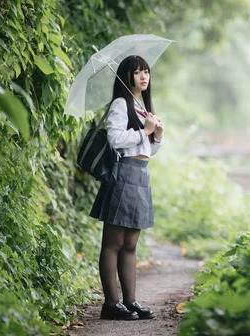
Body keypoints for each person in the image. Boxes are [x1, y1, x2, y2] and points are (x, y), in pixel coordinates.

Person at [89, 55, 165, 320]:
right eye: (137, 72)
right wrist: (144, 130)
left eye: (146, 72)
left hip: (141, 175)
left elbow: (148, 151)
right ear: (126, 76)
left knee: (131, 243)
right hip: (123, 173)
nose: (143, 76)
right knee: (114, 242)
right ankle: (111, 303)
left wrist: (156, 135)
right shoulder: (121, 104)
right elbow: (115, 139)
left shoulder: (142, 106)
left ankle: (130, 302)